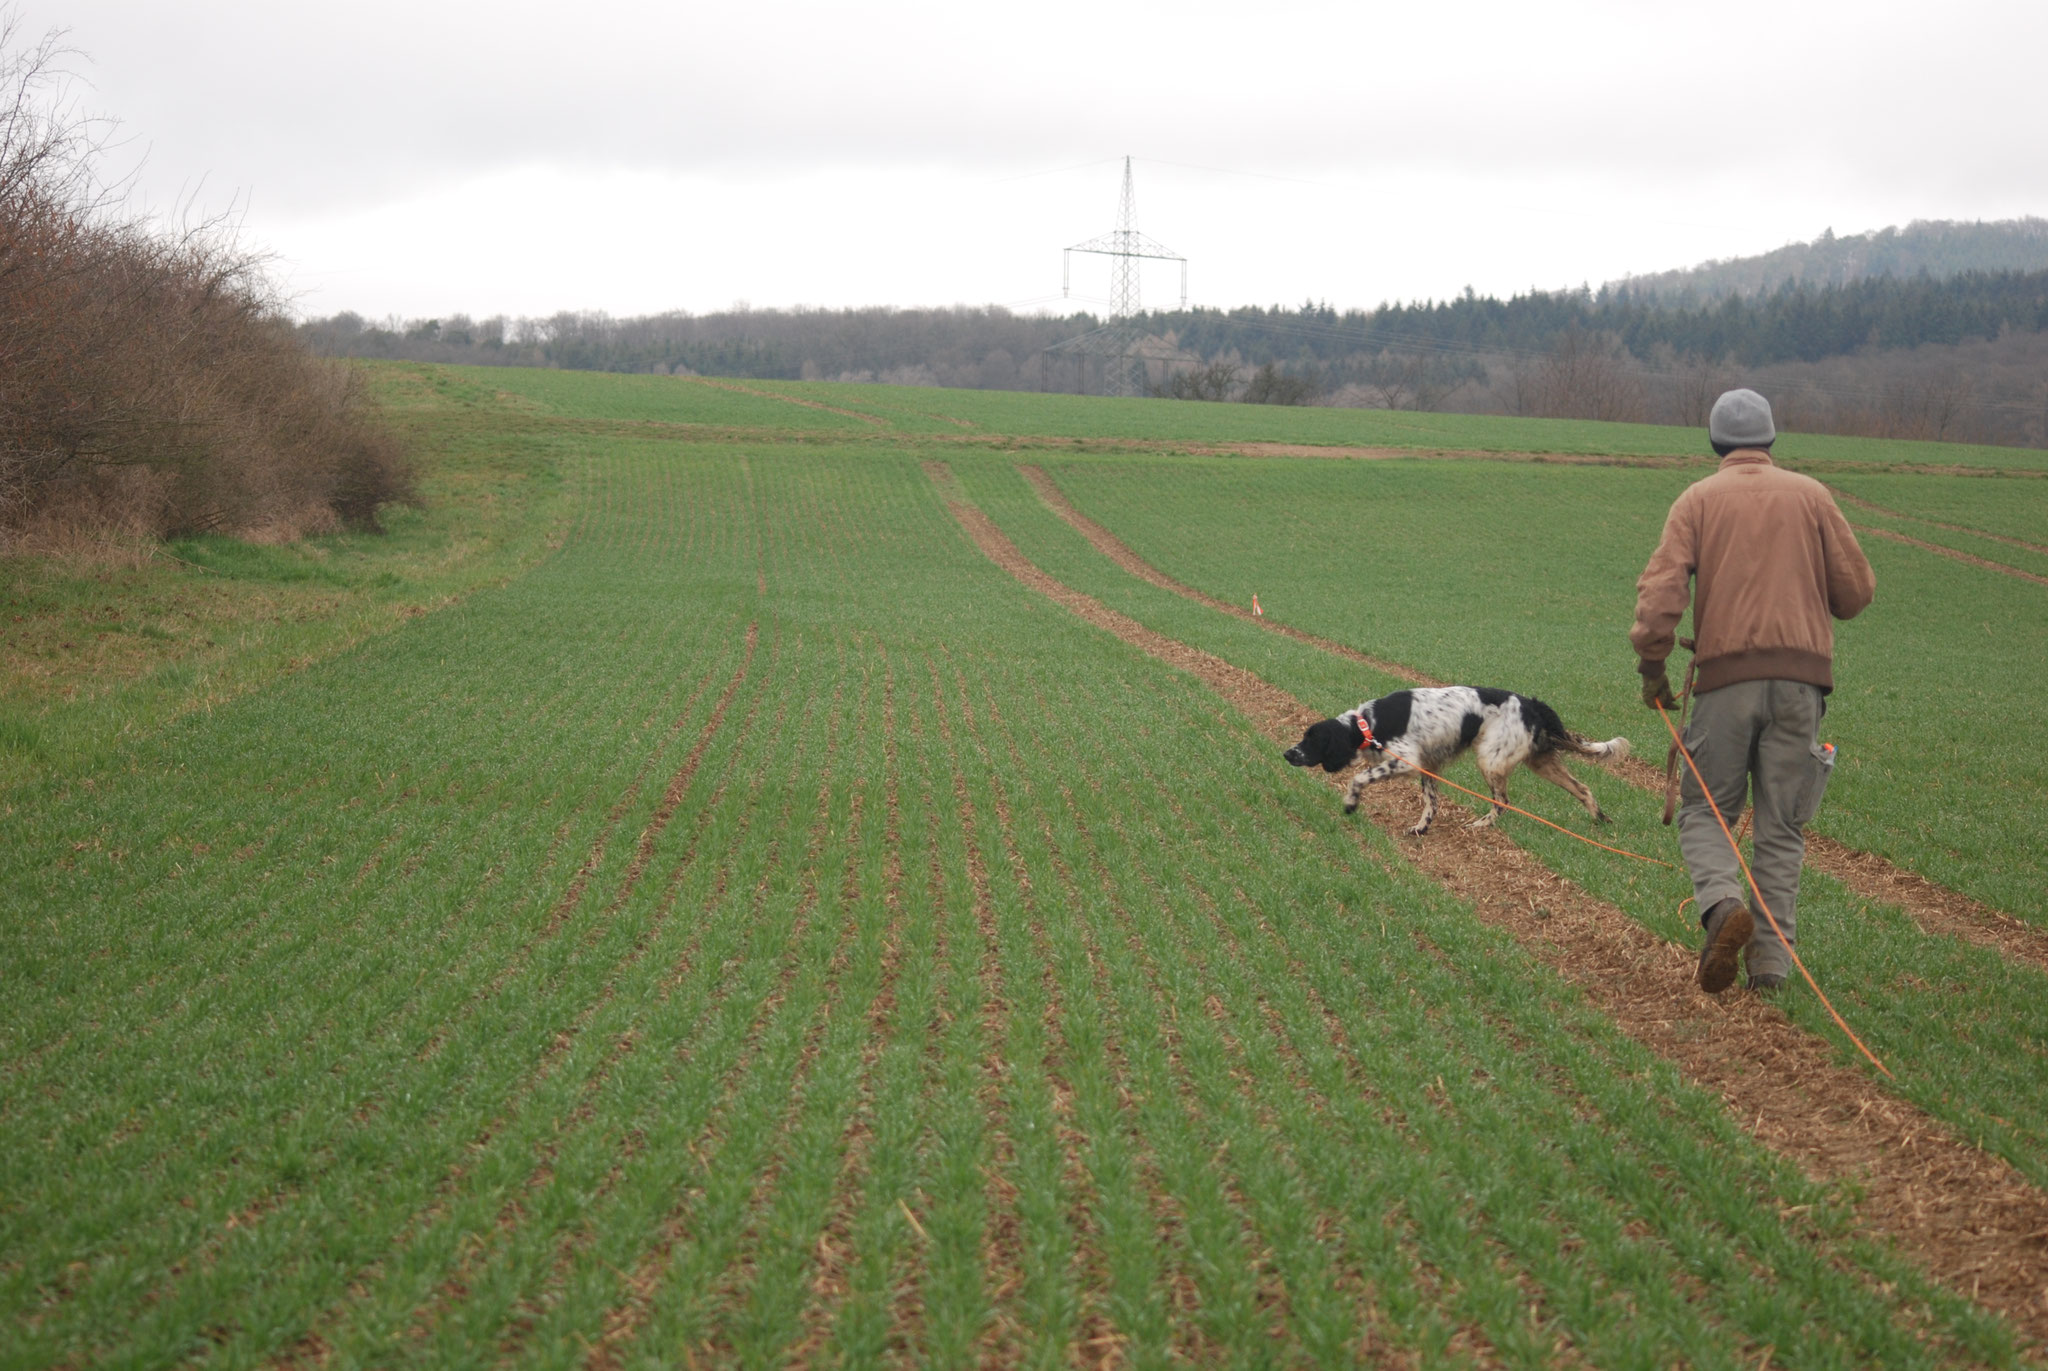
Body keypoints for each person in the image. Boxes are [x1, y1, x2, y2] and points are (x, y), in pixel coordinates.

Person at [1631, 389, 1876, 994]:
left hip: (1724, 686)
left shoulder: (1696, 501)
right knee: (1781, 828)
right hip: (1802, 688)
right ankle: (1770, 968)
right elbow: (1856, 596)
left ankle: (1720, 908)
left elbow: (1659, 602)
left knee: (1704, 809)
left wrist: (1653, 672)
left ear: (1715, 442)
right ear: (1771, 440)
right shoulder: (1813, 496)